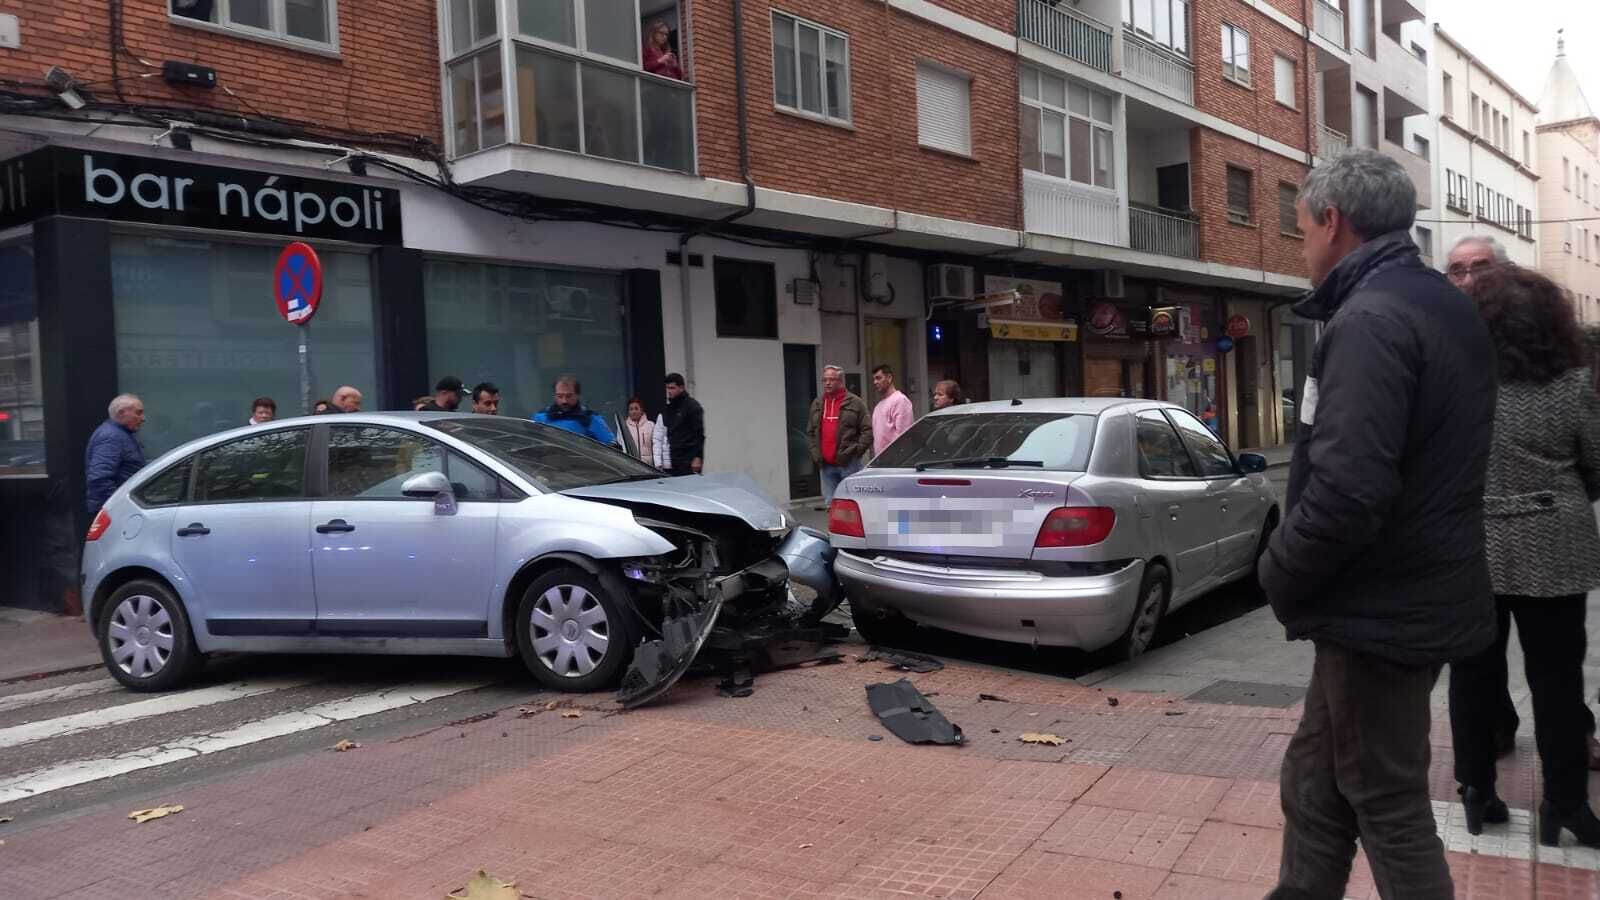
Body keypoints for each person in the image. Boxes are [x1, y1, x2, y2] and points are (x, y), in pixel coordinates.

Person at [1258, 149, 1497, 899]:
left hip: (1381, 609)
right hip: (1402, 598)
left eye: (1302, 227)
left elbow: (1347, 492)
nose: (1302, 245)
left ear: (1333, 221)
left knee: (1386, 800)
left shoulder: (1369, 319)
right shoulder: (1437, 302)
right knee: (1314, 781)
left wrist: (1277, 569)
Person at [1447, 266, 1600, 846]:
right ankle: (1565, 804)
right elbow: (1597, 466)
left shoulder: (1457, 386)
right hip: (1555, 546)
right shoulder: (1573, 386)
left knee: (1472, 674)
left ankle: (1476, 789)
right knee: (1558, 681)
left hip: (1473, 545)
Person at [808, 365, 871, 510]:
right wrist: (815, 453)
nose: (827, 383)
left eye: (832, 379)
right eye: (825, 380)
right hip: (826, 465)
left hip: (849, 464)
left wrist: (856, 452)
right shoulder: (817, 403)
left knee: (851, 506)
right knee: (831, 506)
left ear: (841, 381)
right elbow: (811, 431)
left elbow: (867, 430)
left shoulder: (856, 403)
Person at [85, 394, 147, 513]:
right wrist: (120, 507)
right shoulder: (111, 437)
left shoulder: (120, 434)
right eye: (138, 413)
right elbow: (99, 479)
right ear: (121, 413)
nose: (143, 418)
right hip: (117, 512)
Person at [532, 375, 615, 444]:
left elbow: (612, 448)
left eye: (569, 396)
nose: (564, 401)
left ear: (578, 395)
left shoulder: (590, 419)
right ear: (554, 396)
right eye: (560, 396)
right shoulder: (540, 417)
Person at [662, 373, 705, 476]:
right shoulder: (670, 408)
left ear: (681, 388)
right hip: (673, 458)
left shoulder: (692, 407)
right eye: (667, 388)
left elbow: (699, 434)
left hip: (688, 459)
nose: (669, 391)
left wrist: (698, 457)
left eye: (672, 388)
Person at [870, 364, 914, 456]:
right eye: (874, 379)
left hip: (896, 460)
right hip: (880, 460)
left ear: (889, 378)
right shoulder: (878, 406)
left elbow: (904, 437)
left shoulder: (900, 400)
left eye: (878, 378)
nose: (875, 382)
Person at [616, 396, 670, 469]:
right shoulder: (624, 427)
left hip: (649, 467)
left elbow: (657, 445)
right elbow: (621, 446)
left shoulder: (651, 425)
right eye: (631, 409)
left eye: (636, 409)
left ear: (641, 410)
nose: (634, 412)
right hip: (631, 466)